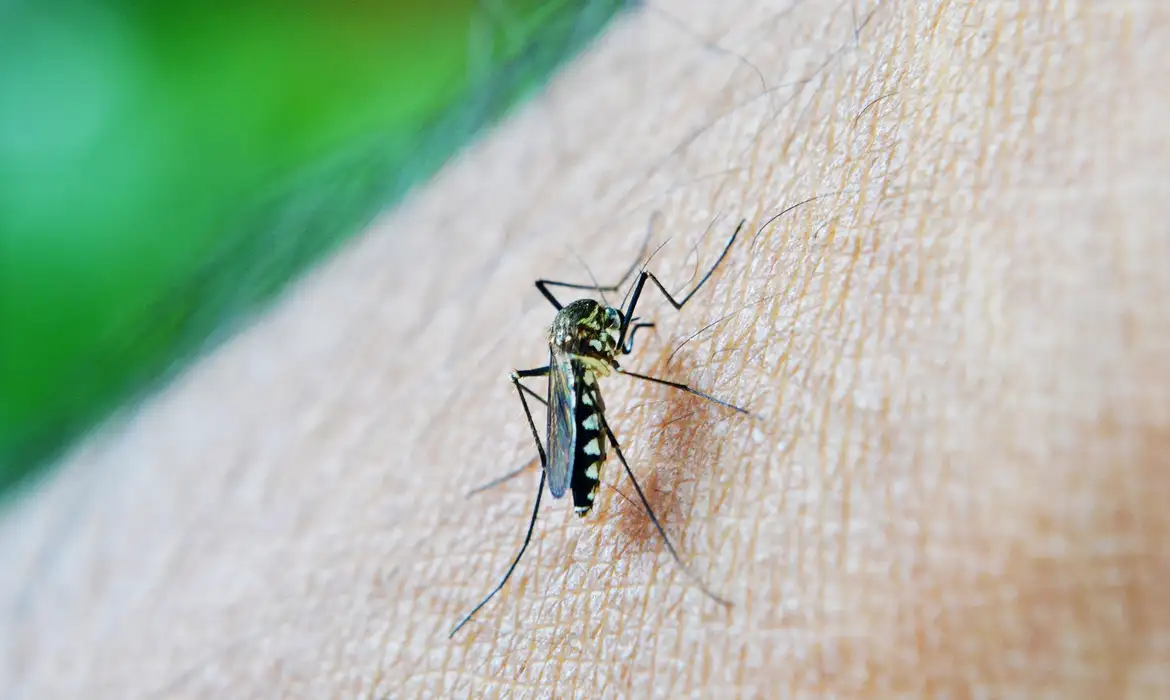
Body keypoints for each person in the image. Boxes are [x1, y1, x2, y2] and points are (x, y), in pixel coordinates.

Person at [3, 0, 1167, 696]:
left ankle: (551, 484)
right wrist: (589, 416)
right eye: (608, 321)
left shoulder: (586, 326)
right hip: (581, 430)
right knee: (589, 404)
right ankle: (546, 515)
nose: (619, 324)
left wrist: (645, 299)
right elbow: (601, 363)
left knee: (583, 357)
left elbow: (604, 321)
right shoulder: (589, 360)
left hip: (573, 375)